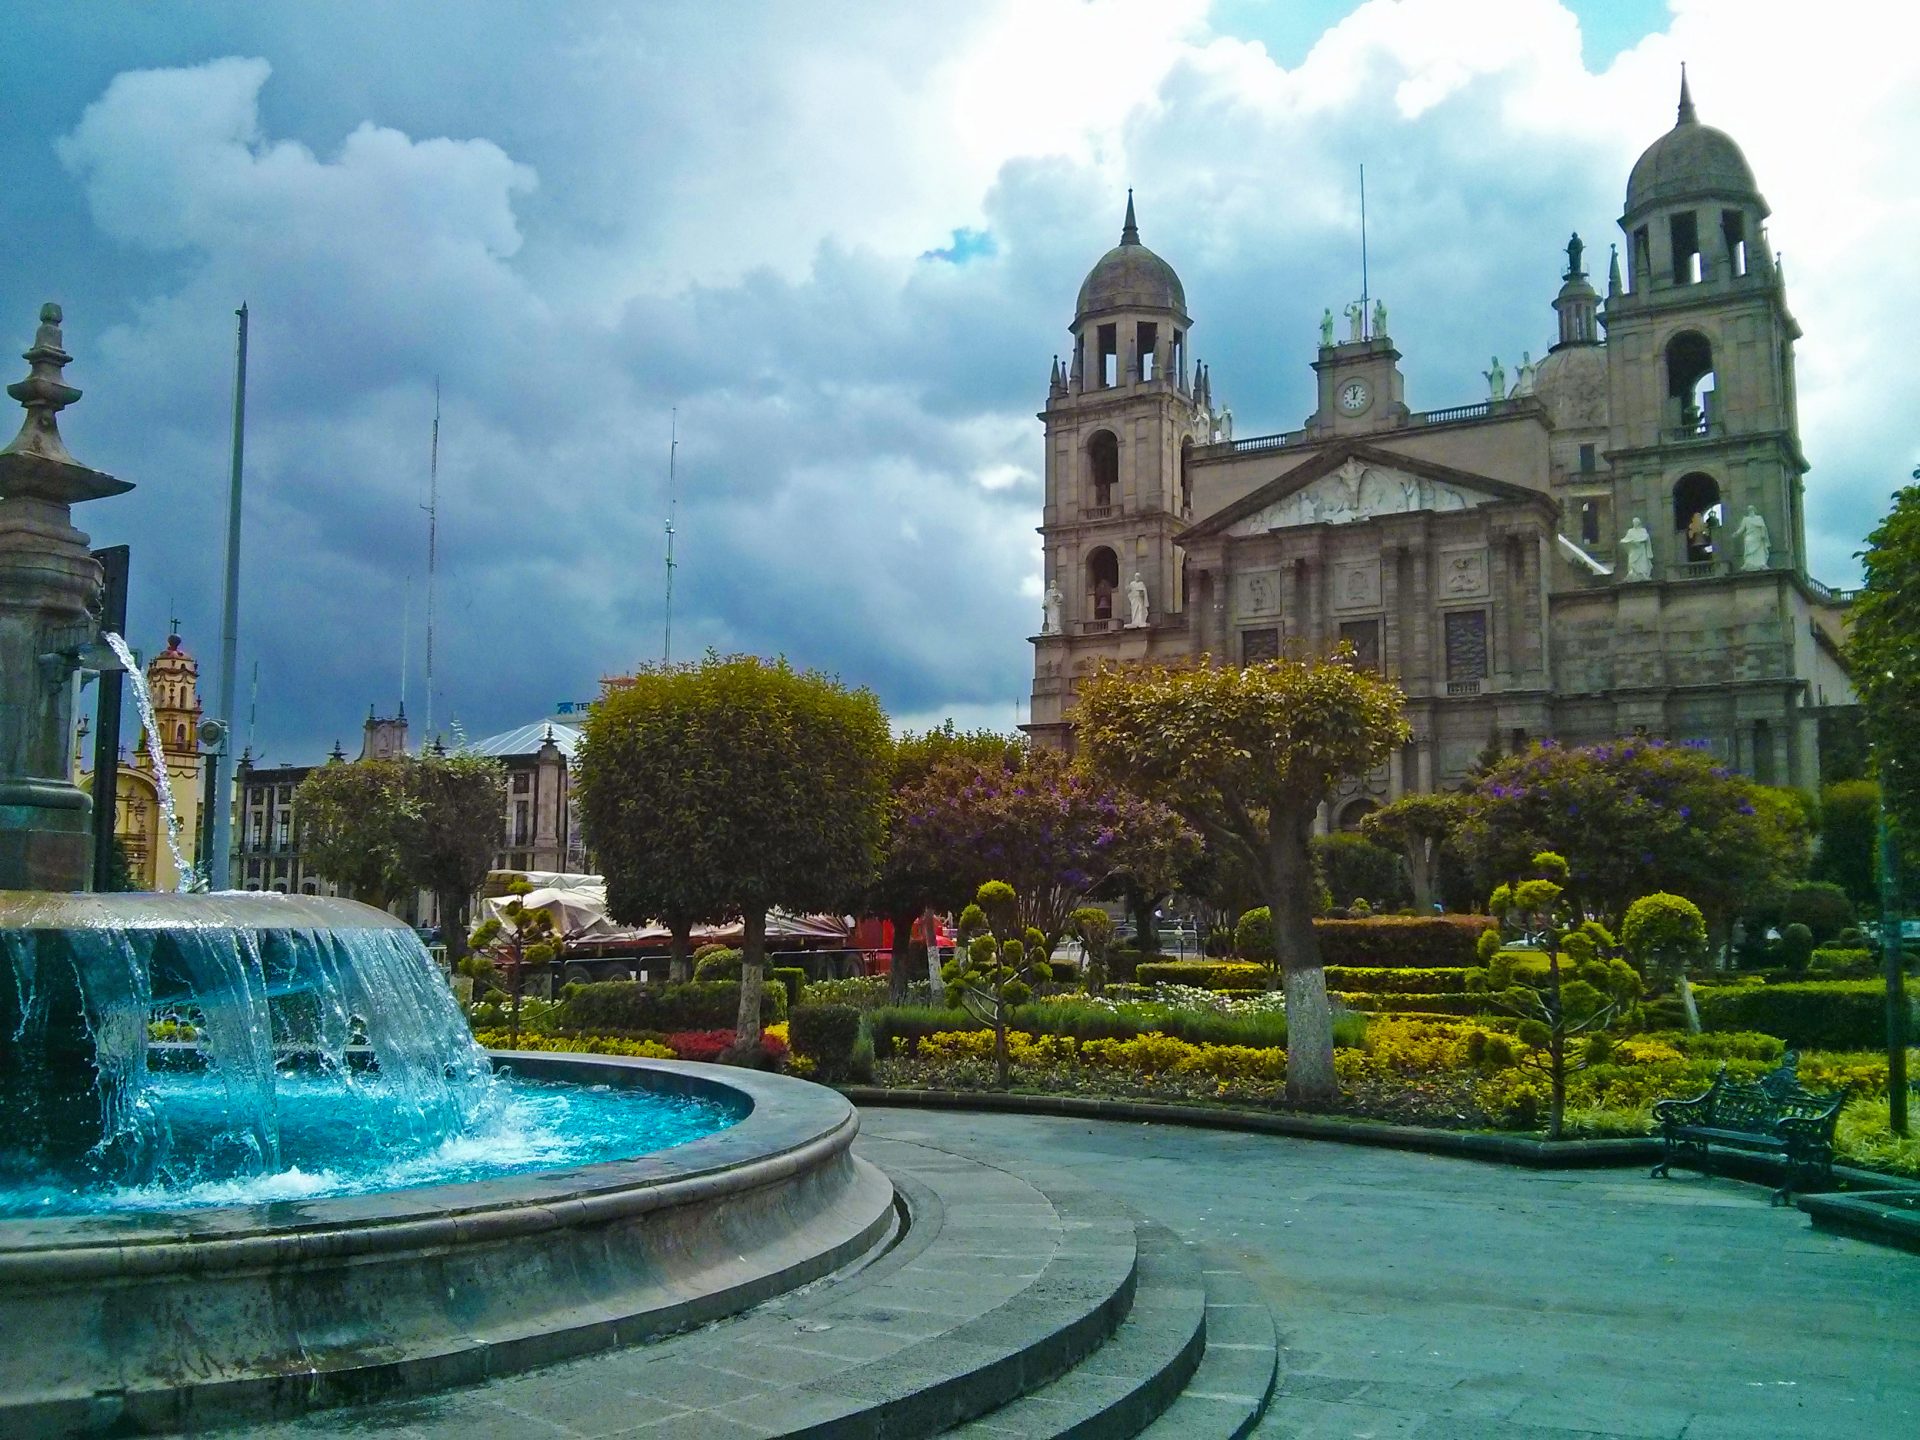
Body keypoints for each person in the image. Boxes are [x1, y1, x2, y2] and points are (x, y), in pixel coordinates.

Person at [1620, 516, 1654, 582]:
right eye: (1634, 522)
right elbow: (1626, 539)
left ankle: (1643, 574)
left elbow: (1646, 537)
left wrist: (1639, 541)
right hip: (1633, 549)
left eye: (1636, 522)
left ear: (1639, 523)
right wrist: (1628, 541)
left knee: (1643, 562)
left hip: (1641, 549)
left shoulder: (1643, 530)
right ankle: (1633, 573)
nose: (1635, 524)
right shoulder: (1630, 531)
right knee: (1631, 561)